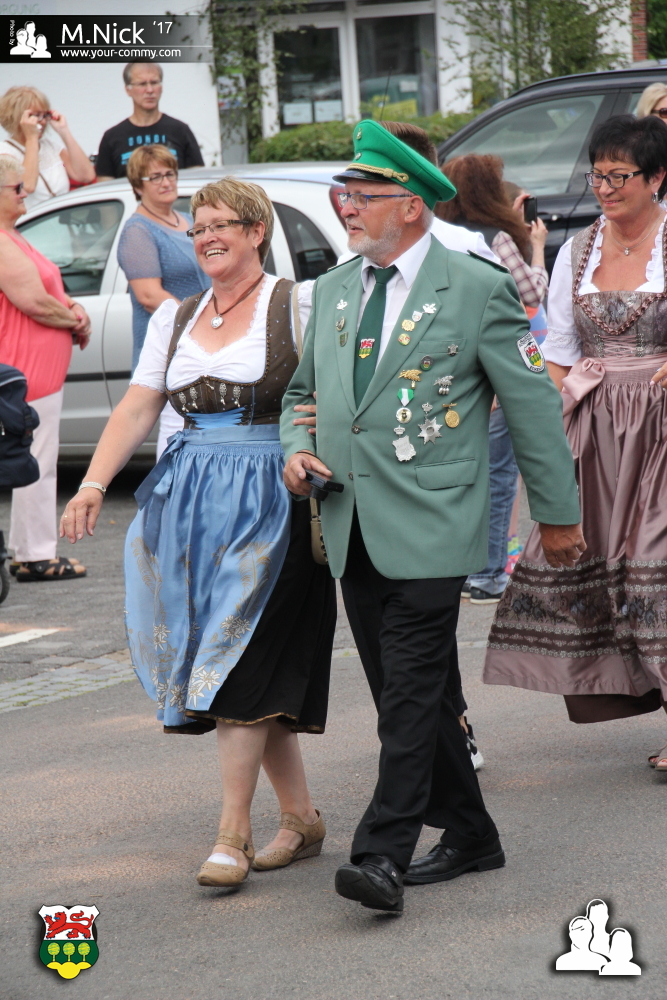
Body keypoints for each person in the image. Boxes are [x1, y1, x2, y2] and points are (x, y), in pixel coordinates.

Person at [281, 120, 583, 914]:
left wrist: (557, 517)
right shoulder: (336, 288)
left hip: (434, 520)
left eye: (362, 195)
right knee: (405, 693)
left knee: (409, 693)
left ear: (410, 205)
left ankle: (380, 854)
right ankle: (472, 834)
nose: (346, 207)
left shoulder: (475, 285)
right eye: (344, 194)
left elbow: (531, 406)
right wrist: (296, 447)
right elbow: (301, 394)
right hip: (349, 522)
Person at [59, 176, 335, 890]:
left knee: (236, 657)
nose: (205, 236)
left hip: (274, 497)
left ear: (256, 232)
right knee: (238, 661)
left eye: (220, 224)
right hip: (191, 506)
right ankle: (301, 817)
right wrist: (92, 485)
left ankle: (231, 834)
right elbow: (139, 405)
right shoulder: (176, 317)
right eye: (197, 226)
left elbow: (332, 392)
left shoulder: (297, 304)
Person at [483, 115, 667, 772]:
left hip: (661, 428)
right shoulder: (577, 250)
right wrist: (534, 411)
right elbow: (556, 352)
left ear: (656, 178)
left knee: (655, 568)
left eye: (619, 176)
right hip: (597, 430)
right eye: (598, 175)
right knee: (607, 570)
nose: (605, 188)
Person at [438, 153, 549, 605]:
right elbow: (532, 293)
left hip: (450, 371)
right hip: (496, 369)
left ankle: (464, 568)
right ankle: (487, 574)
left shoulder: (439, 237)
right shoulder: (494, 238)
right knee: (500, 473)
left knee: (461, 472)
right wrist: (536, 246)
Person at [0, 154, 90, 581]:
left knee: (38, 455)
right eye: (17, 188)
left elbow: (50, 289)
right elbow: (34, 302)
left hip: (38, 367)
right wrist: (74, 320)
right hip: (25, 366)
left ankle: (28, 550)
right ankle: (35, 554)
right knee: (35, 457)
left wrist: (73, 308)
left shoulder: (13, 236)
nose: (25, 193)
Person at [117, 144, 210, 455]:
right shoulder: (137, 230)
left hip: (202, 342)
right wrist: (201, 321)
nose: (166, 181)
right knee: (176, 436)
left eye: (170, 173)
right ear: (137, 186)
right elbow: (148, 295)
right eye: (155, 177)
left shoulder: (187, 219)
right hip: (171, 347)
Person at [96, 63, 204, 181]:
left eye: (154, 83)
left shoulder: (180, 131)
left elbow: (197, 180)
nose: (149, 90)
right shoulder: (112, 138)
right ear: (128, 89)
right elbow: (105, 185)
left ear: (161, 87)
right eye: (142, 84)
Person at [0, 86, 95, 212]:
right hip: (31, 221)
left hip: (59, 218)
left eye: (45, 115)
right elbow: (27, 186)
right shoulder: (5, 152)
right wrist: (31, 138)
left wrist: (64, 131)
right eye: (36, 116)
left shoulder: (50, 146)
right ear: (17, 117)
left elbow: (86, 176)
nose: (43, 121)